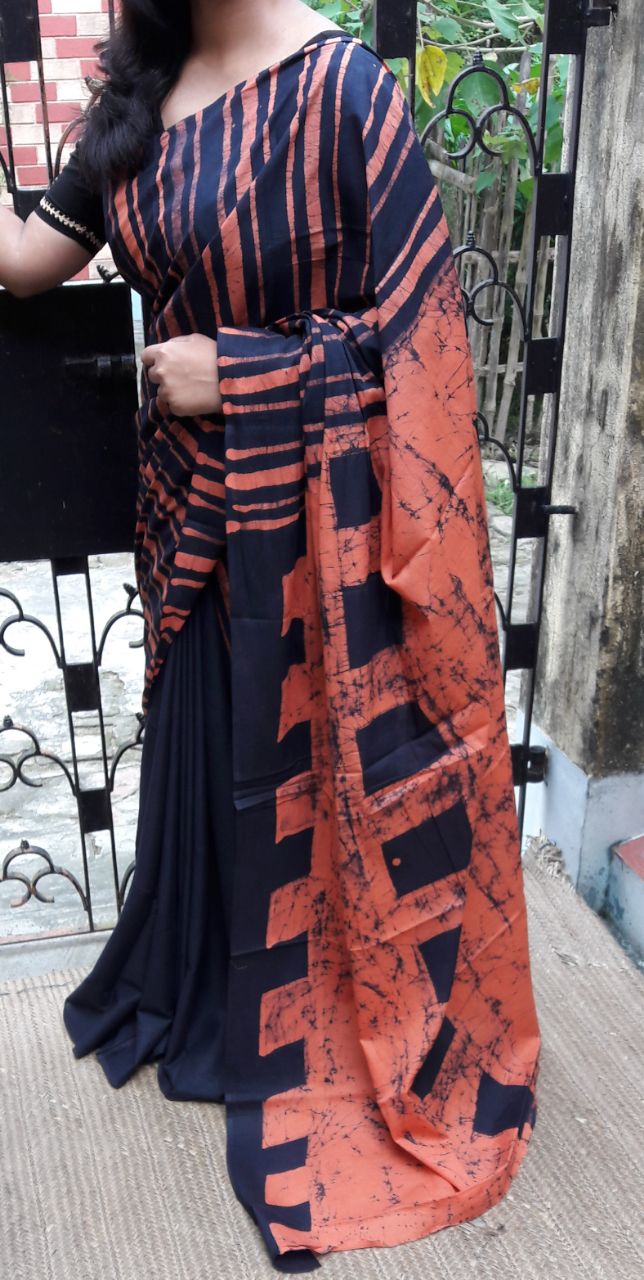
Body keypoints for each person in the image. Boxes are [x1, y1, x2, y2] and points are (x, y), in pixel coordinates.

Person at [0, 0, 541, 1271]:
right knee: (207, 758)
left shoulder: (344, 91)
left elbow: (420, 344)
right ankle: (208, 995)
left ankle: (319, 1022)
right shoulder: (141, 93)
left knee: (308, 776)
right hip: (189, 513)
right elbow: (26, 261)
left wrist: (239, 372)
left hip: (324, 547)